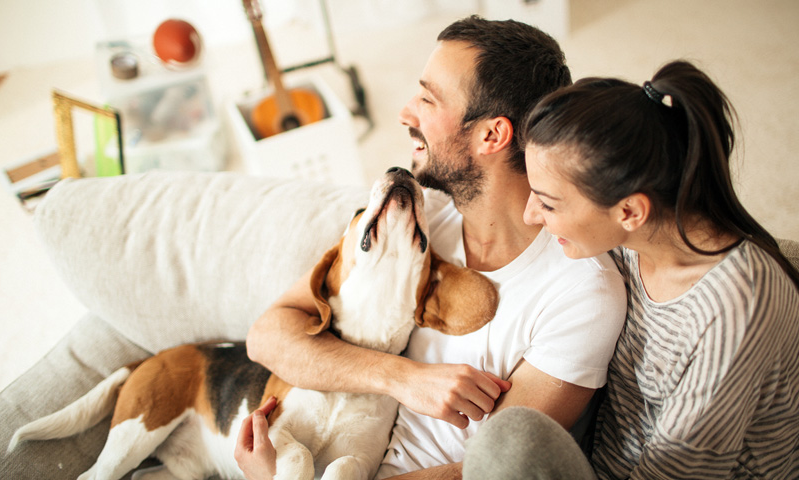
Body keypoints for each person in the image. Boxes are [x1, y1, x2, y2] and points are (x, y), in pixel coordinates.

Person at [239, 15, 627, 479]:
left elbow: (489, 471)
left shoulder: (582, 294)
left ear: (491, 135)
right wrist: (402, 378)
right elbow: (266, 335)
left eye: (428, 98)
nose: (405, 112)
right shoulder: (421, 218)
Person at [462, 60, 799, 479]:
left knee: (507, 448)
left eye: (548, 203)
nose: (532, 215)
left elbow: (677, 473)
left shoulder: (736, 306)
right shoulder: (625, 243)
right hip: (604, 453)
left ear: (629, 211)